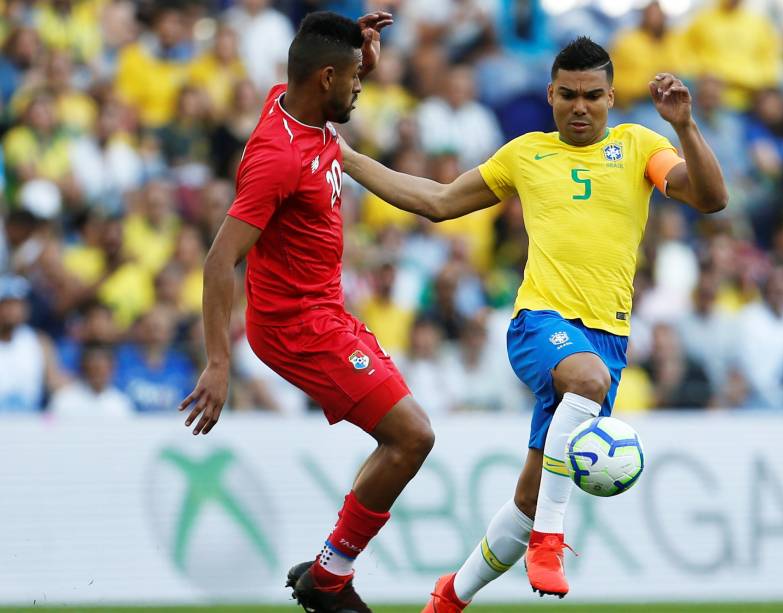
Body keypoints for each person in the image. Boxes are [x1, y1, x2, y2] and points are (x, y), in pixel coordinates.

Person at [341, 36, 727, 609]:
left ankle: (449, 597)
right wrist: (345, 156)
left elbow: (712, 199)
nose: (580, 106)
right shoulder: (526, 153)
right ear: (549, 95)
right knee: (586, 388)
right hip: (540, 324)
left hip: (606, 342)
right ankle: (551, 537)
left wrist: (687, 128)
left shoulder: (640, 145)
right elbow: (439, 200)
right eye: (568, 94)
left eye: (592, 96)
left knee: (527, 497)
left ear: (610, 97)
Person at [177, 12, 436, 613]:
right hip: (296, 327)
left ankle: (328, 570)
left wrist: (360, 53)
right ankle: (330, 576)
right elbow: (220, 260)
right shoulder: (277, 158)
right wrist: (218, 363)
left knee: (405, 438)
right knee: (412, 436)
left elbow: (319, 70)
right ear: (324, 78)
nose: (360, 87)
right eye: (353, 80)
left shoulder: (296, 104)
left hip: (327, 311)